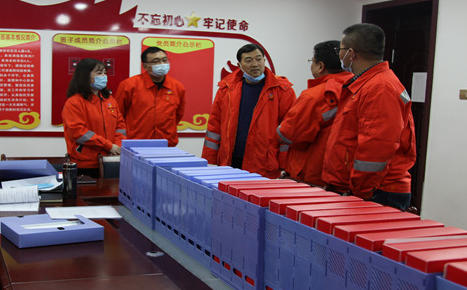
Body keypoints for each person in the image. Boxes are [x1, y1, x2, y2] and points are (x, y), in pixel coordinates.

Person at [322, 23, 416, 210]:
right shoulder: (365, 84)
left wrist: (360, 191)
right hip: (366, 190)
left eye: (340, 50)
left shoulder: (380, 87)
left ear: (351, 53)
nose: (339, 56)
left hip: (377, 192)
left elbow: (377, 147)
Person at [202, 43, 296, 179]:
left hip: (264, 163)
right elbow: (214, 126)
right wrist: (209, 159)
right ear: (239, 65)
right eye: (248, 60)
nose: (255, 64)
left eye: (258, 59)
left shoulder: (282, 90)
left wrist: (285, 164)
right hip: (230, 161)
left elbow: (288, 129)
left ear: (264, 60)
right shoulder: (226, 89)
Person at [277, 40, 353, 186]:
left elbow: (288, 133)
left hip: (312, 173)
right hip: (345, 173)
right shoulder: (357, 88)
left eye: (312, 61)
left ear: (320, 66)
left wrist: (280, 128)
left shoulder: (315, 96)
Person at [62, 58, 126, 178]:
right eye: (99, 73)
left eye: (104, 73)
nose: (104, 76)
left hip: (111, 160)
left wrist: (117, 147)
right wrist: (108, 146)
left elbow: (120, 126)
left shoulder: (110, 100)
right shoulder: (74, 102)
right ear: (85, 76)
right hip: (86, 164)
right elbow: (78, 133)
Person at [114, 46, 186, 146]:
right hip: (136, 142)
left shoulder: (177, 87)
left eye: (164, 60)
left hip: (166, 143)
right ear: (145, 66)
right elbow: (117, 116)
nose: (162, 64)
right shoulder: (129, 85)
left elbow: (178, 115)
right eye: (156, 61)